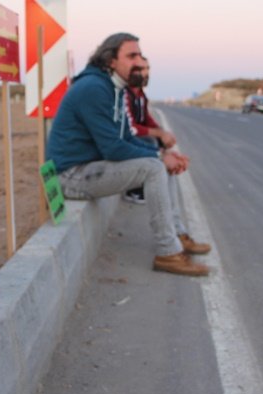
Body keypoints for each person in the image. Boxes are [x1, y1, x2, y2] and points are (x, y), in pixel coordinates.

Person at [46, 33, 211, 277]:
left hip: (89, 167)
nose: (139, 61)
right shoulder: (93, 88)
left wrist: (162, 154)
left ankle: (177, 235)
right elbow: (113, 148)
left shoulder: (115, 88)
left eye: (140, 55)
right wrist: (159, 158)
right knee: (154, 168)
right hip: (69, 176)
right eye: (131, 56)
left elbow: (127, 138)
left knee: (160, 162)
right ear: (111, 60)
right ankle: (168, 253)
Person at [122, 57, 180, 204]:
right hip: (128, 137)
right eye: (141, 69)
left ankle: (161, 185)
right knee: (150, 141)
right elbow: (130, 127)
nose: (146, 73)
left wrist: (163, 133)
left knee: (161, 141)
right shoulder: (125, 94)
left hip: (137, 134)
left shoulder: (140, 93)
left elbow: (146, 117)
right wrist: (159, 134)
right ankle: (135, 190)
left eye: (147, 69)